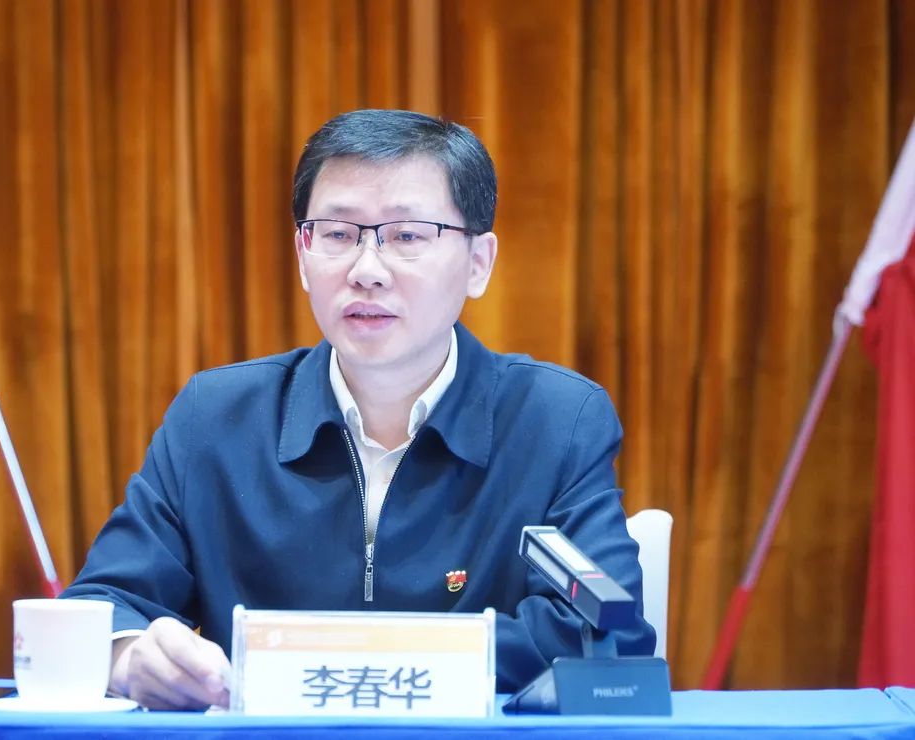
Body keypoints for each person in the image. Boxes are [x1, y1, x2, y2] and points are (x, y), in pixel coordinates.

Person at [62, 109, 655, 710]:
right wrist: (130, 658)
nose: (367, 271)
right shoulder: (215, 419)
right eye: (338, 234)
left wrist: (345, 659)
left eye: (407, 236)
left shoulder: (557, 421)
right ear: (303, 254)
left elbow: (606, 636)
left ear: (479, 262)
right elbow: (100, 609)